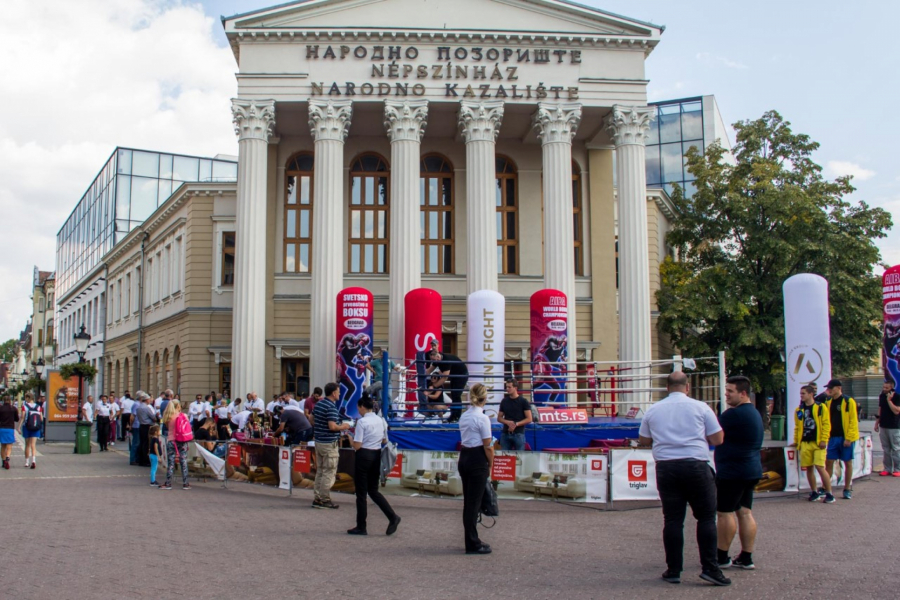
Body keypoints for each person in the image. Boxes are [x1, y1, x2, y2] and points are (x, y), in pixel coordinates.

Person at [638, 371, 729, 586]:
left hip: (666, 466)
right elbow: (718, 438)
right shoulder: (701, 407)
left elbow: (643, 440)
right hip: (696, 464)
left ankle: (673, 569)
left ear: (667, 387)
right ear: (687, 387)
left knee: (672, 520)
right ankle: (710, 568)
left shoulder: (653, 409)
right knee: (706, 518)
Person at [714, 376, 764, 571]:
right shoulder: (754, 412)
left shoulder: (733, 415)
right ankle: (746, 556)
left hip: (732, 473)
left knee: (724, 513)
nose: (726, 394)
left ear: (743, 393)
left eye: (730, 391)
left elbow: (711, 432)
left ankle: (721, 556)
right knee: (744, 512)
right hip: (751, 470)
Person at [348, 396, 400, 536]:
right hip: (376, 455)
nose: (358, 410)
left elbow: (357, 446)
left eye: (358, 407)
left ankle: (361, 526)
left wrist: (350, 439)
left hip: (363, 455)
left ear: (362, 407)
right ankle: (392, 516)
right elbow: (384, 440)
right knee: (373, 490)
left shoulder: (362, 422)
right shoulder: (380, 420)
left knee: (361, 493)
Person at [457, 383, 494, 555]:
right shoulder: (483, 418)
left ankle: (471, 539)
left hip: (465, 455)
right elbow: (488, 445)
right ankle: (472, 542)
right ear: (484, 398)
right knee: (474, 503)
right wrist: (490, 464)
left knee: (469, 502)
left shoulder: (464, 416)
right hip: (477, 457)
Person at [311, 382, 351, 509]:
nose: (339, 394)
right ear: (334, 393)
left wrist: (319, 428)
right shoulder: (331, 407)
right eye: (338, 392)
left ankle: (317, 498)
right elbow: (332, 426)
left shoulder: (319, 404)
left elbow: (311, 419)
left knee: (320, 471)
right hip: (329, 444)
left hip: (319, 442)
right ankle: (324, 499)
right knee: (329, 472)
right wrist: (344, 426)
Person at [793, 385, 833, 502]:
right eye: (800, 393)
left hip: (818, 443)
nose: (801, 396)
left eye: (803, 393)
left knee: (820, 467)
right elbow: (797, 427)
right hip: (805, 442)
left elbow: (826, 424)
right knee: (809, 468)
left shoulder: (821, 407)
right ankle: (814, 491)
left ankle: (829, 493)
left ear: (811, 394)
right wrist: (797, 442)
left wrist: (824, 439)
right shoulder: (799, 410)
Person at [823, 379, 859, 499]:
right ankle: (826, 487)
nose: (829, 390)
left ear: (838, 388)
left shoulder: (848, 401)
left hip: (845, 437)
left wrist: (849, 438)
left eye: (831, 388)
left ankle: (847, 488)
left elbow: (853, 421)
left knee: (847, 462)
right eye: (828, 388)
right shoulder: (828, 401)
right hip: (833, 437)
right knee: (829, 461)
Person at [428, 340, 469, 422]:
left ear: (438, 357)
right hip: (454, 375)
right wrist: (419, 374)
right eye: (432, 346)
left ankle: (456, 416)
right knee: (454, 394)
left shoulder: (446, 360)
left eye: (435, 345)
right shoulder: (436, 359)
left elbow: (444, 377)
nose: (433, 347)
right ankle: (453, 416)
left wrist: (434, 386)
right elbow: (429, 370)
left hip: (461, 375)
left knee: (456, 395)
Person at [160, 400, 191, 490]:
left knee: (171, 462)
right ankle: (185, 483)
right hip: (182, 440)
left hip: (171, 440)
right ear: (178, 406)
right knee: (183, 461)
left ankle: (168, 483)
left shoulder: (168, 416)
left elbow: (167, 427)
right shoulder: (184, 416)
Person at [498, 378, 532, 451]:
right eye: (506, 387)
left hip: (519, 433)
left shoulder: (523, 401)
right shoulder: (504, 401)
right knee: (504, 455)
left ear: (515, 388)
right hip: (506, 432)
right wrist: (508, 422)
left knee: (520, 455)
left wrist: (516, 424)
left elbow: (529, 418)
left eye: (509, 387)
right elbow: (499, 418)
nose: (507, 389)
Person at [875, 380, 900, 477]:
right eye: (884, 387)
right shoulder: (882, 396)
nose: (884, 389)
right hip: (883, 425)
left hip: (893, 426)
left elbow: (896, 411)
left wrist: (889, 401)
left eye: (887, 388)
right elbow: (880, 409)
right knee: (886, 449)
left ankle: (897, 469)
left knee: (895, 448)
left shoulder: (897, 396)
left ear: (891, 388)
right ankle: (887, 468)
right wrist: (877, 422)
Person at [21, 393, 42, 469]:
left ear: (28, 398)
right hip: (35, 427)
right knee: (33, 445)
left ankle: (27, 462)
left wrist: (19, 426)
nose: (25, 399)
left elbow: (22, 417)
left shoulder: (24, 406)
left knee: (27, 445)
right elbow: (41, 418)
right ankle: (33, 461)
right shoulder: (38, 407)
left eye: (26, 398)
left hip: (26, 427)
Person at [135, 392, 156, 467]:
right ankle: (145, 460)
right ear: (146, 400)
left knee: (142, 443)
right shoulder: (146, 408)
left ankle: (140, 459)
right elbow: (153, 417)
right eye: (149, 399)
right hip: (147, 426)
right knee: (146, 444)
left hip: (141, 425)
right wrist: (155, 419)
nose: (150, 400)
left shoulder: (139, 407)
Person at [0, 395, 19, 470]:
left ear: (3, 400)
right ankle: (7, 458)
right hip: (10, 428)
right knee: (9, 446)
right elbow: (17, 419)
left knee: (3, 446)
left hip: (2, 428)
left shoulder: (0, 408)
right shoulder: (13, 408)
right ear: (10, 400)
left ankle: (3, 461)